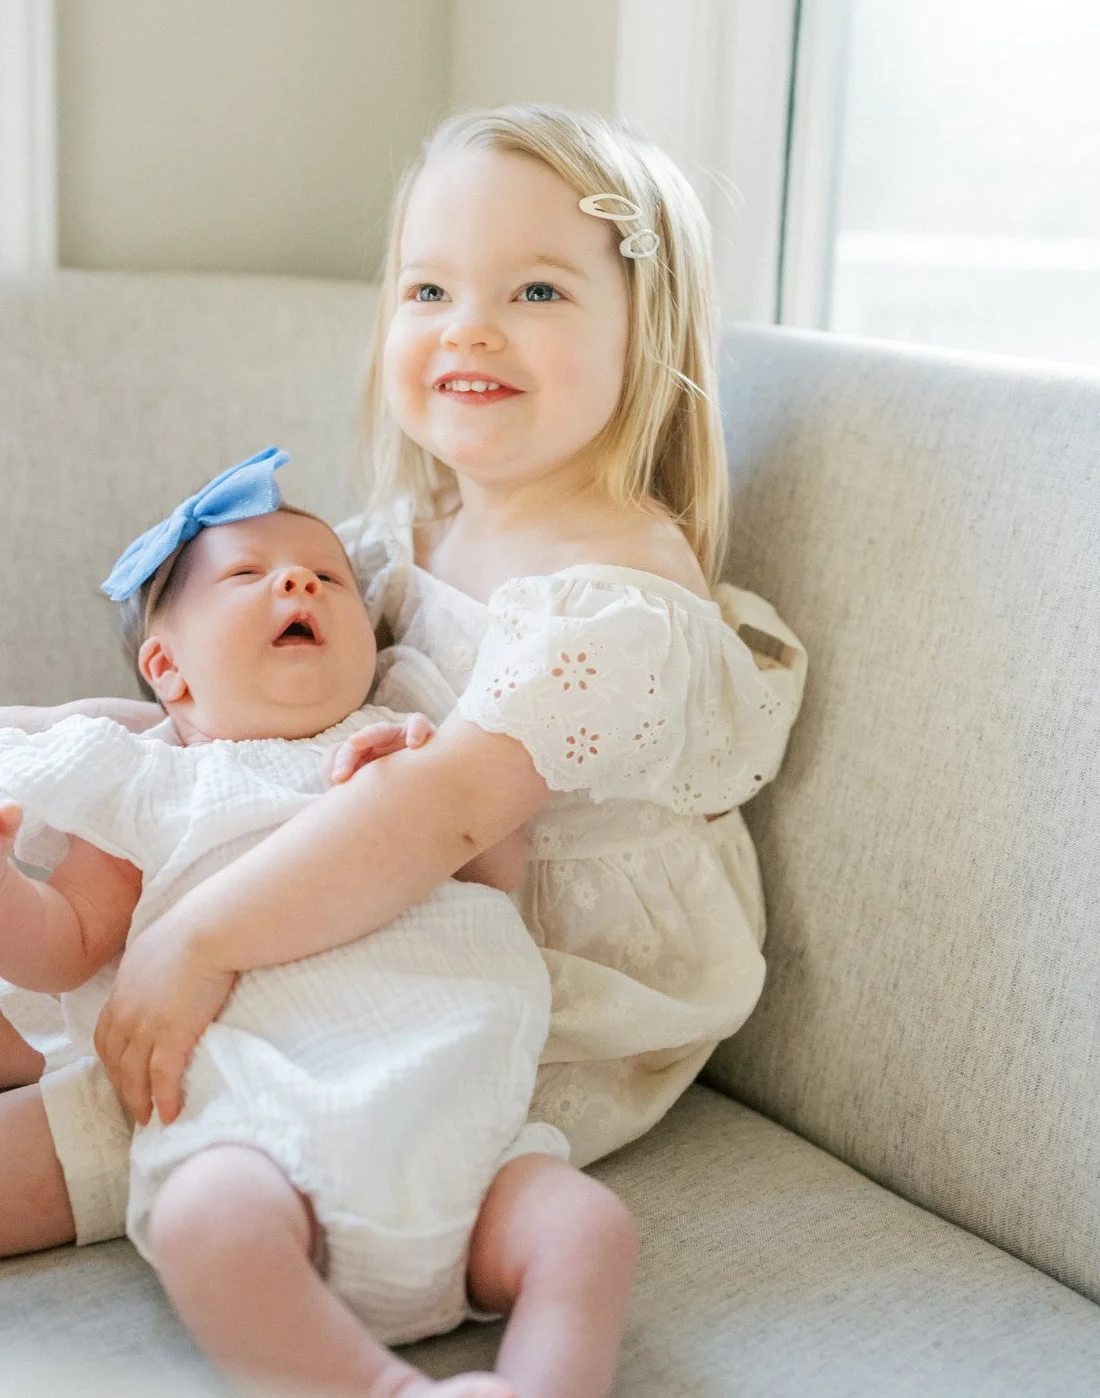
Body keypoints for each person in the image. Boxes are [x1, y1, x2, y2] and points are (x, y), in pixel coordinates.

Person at [3, 102, 807, 1394]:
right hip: (333, 907)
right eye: (429, 286)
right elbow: (222, 730)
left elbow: (436, 812)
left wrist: (192, 940)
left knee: (135, 1068)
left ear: (642, 328)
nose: (468, 326)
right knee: (73, 974)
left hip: (492, 985)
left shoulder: (619, 591)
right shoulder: (400, 538)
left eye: (535, 287)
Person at [0, 456, 635, 1398]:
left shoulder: (407, 754)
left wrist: (416, 771)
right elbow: (65, 951)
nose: (296, 582)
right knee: (204, 1222)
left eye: (326, 577)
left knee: (588, 1230)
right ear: (167, 669)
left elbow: (496, 882)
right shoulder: (146, 781)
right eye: (246, 577)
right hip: (251, 1131)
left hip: (454, 1131)